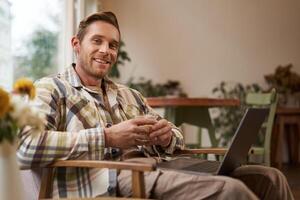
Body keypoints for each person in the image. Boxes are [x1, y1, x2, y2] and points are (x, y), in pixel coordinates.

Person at [17, 11, 294, 199]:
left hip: (162, 164)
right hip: (111, 177)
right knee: (231, 191)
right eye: (97, 41)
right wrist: (107, 137)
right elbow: (26, 147)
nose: (106, 51)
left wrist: (167, 135)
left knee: (270, 177)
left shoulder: (129, 95)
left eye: (113, 45)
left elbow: (175, 135)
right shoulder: (50, 89)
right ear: (76, 44)